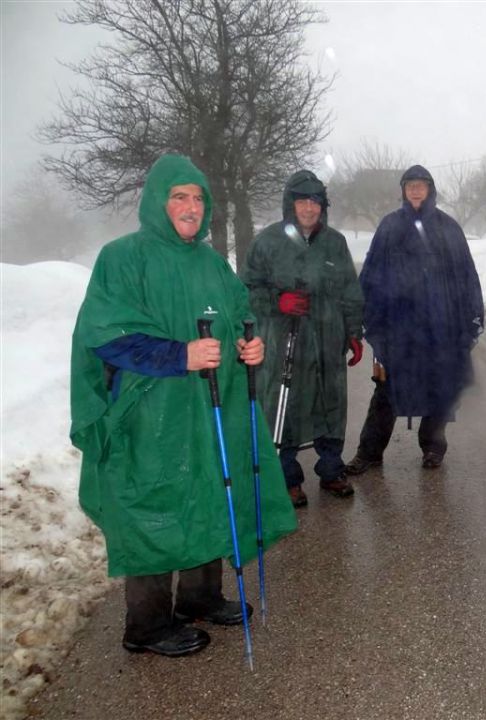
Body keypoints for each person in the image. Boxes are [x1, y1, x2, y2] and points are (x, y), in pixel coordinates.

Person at [70, 154, 297, 657]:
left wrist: (249, 344)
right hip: (150, 413)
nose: (191, 206)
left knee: (210, 488)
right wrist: (180, 354)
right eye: (179, 196)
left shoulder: (212, 260)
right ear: (158, 201)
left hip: (208, 406)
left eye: (197, 197)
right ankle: (146, 626)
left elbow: (240, 315)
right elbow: (105, 336)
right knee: (153, 505)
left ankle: (198, 597)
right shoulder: (122, 257)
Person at [344, 165, 484, 474]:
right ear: (404, 190)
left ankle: (432, 446)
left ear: (431, 189)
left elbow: (466, 276)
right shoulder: (390, 226)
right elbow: (371, 273)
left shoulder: (448, 227)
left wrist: (471, 319)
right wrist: (369, 317)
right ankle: (369, 452)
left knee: (441, 387)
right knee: (387, 390)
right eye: (411, 185)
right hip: (400, 327)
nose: (416, 190)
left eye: (421, 185)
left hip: (440, 325)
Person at [242, 171, 364, 506]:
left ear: (323, 206)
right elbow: (247, 290)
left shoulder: (335, 243)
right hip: (285, 340)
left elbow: (350, 291)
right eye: (302, 201)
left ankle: (331, 469)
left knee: (331, 403)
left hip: (328, 338)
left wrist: (354, 332)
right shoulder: (267, 242)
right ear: (290, 203)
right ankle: (288, 477)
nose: (309, 208)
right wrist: (275, 301)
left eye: (315, 202)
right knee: (287, 405)